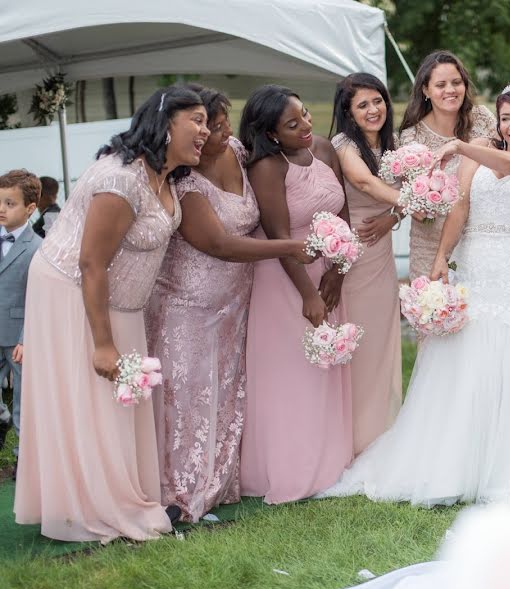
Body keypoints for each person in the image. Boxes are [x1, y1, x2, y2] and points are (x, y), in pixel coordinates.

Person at [321, 82, 510, 506]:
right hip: (474, 261)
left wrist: (461, 146)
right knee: (465, 355)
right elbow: (460, 205)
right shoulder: (481, 147)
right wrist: (442, 255)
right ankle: (455, 459)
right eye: (504, 116)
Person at [14, 85, 210, 542]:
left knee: (122, 403)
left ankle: (126, 494)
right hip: (74, 292)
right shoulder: (121, 178)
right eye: (196, 120)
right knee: (92, 397)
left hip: (123, 303)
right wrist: (103, 343)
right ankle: (92, 506)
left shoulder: (164, 175)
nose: (204, 130)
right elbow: (90, 262)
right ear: (166, 124)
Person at [146, 85, 314, 521]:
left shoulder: (239, 152)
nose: (217, 134)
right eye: (207, 126)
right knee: (186, 399)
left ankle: (216, 486)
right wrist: (287, 246)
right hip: (186, 305)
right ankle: (179, 497)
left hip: (235, 302)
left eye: (219, 124)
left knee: (226, 392)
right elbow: (218, 243)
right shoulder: (182, 180)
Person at [239, 85, 353, 504]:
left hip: (328, 268)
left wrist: (338, 272)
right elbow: (278, 235)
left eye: (305, 114)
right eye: (292, 123)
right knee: (293, 372)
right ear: (270, 133)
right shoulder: (267, 167)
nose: (306, 126)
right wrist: (309, 294)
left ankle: (329, 462)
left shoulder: (324, 149)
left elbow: (342, 214)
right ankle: (290, 469)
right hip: (285, 277)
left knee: (325, 368)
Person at [330, 73, 403, 455]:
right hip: (354, 256)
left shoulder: (394, 144)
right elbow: (364, 183)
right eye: (363, 105)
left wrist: (396, 214)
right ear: (348, 112)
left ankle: (381, 432)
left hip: (383, 255)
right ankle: (353, 438)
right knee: (357, 342)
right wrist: (412, 202)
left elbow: (393, 200)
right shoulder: (343, 145)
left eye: (378, 101)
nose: (374, 110)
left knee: (381, 340)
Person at [398, 50, 497, 280]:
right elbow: (414, 203)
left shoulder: (482, 119)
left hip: (479, 239)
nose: (450, 90)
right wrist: (419, 206)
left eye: (456, 82)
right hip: (430, 244)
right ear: (426, 90)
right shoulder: (412, 138)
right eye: (441, 85)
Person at [0, 170, 41, 464]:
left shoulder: (37, 247)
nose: (1, 209)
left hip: (18, 337)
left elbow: (36, 298)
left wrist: (27, 338)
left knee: (24, 405)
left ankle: (23, 461)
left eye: (9, 203)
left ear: (30, 208)